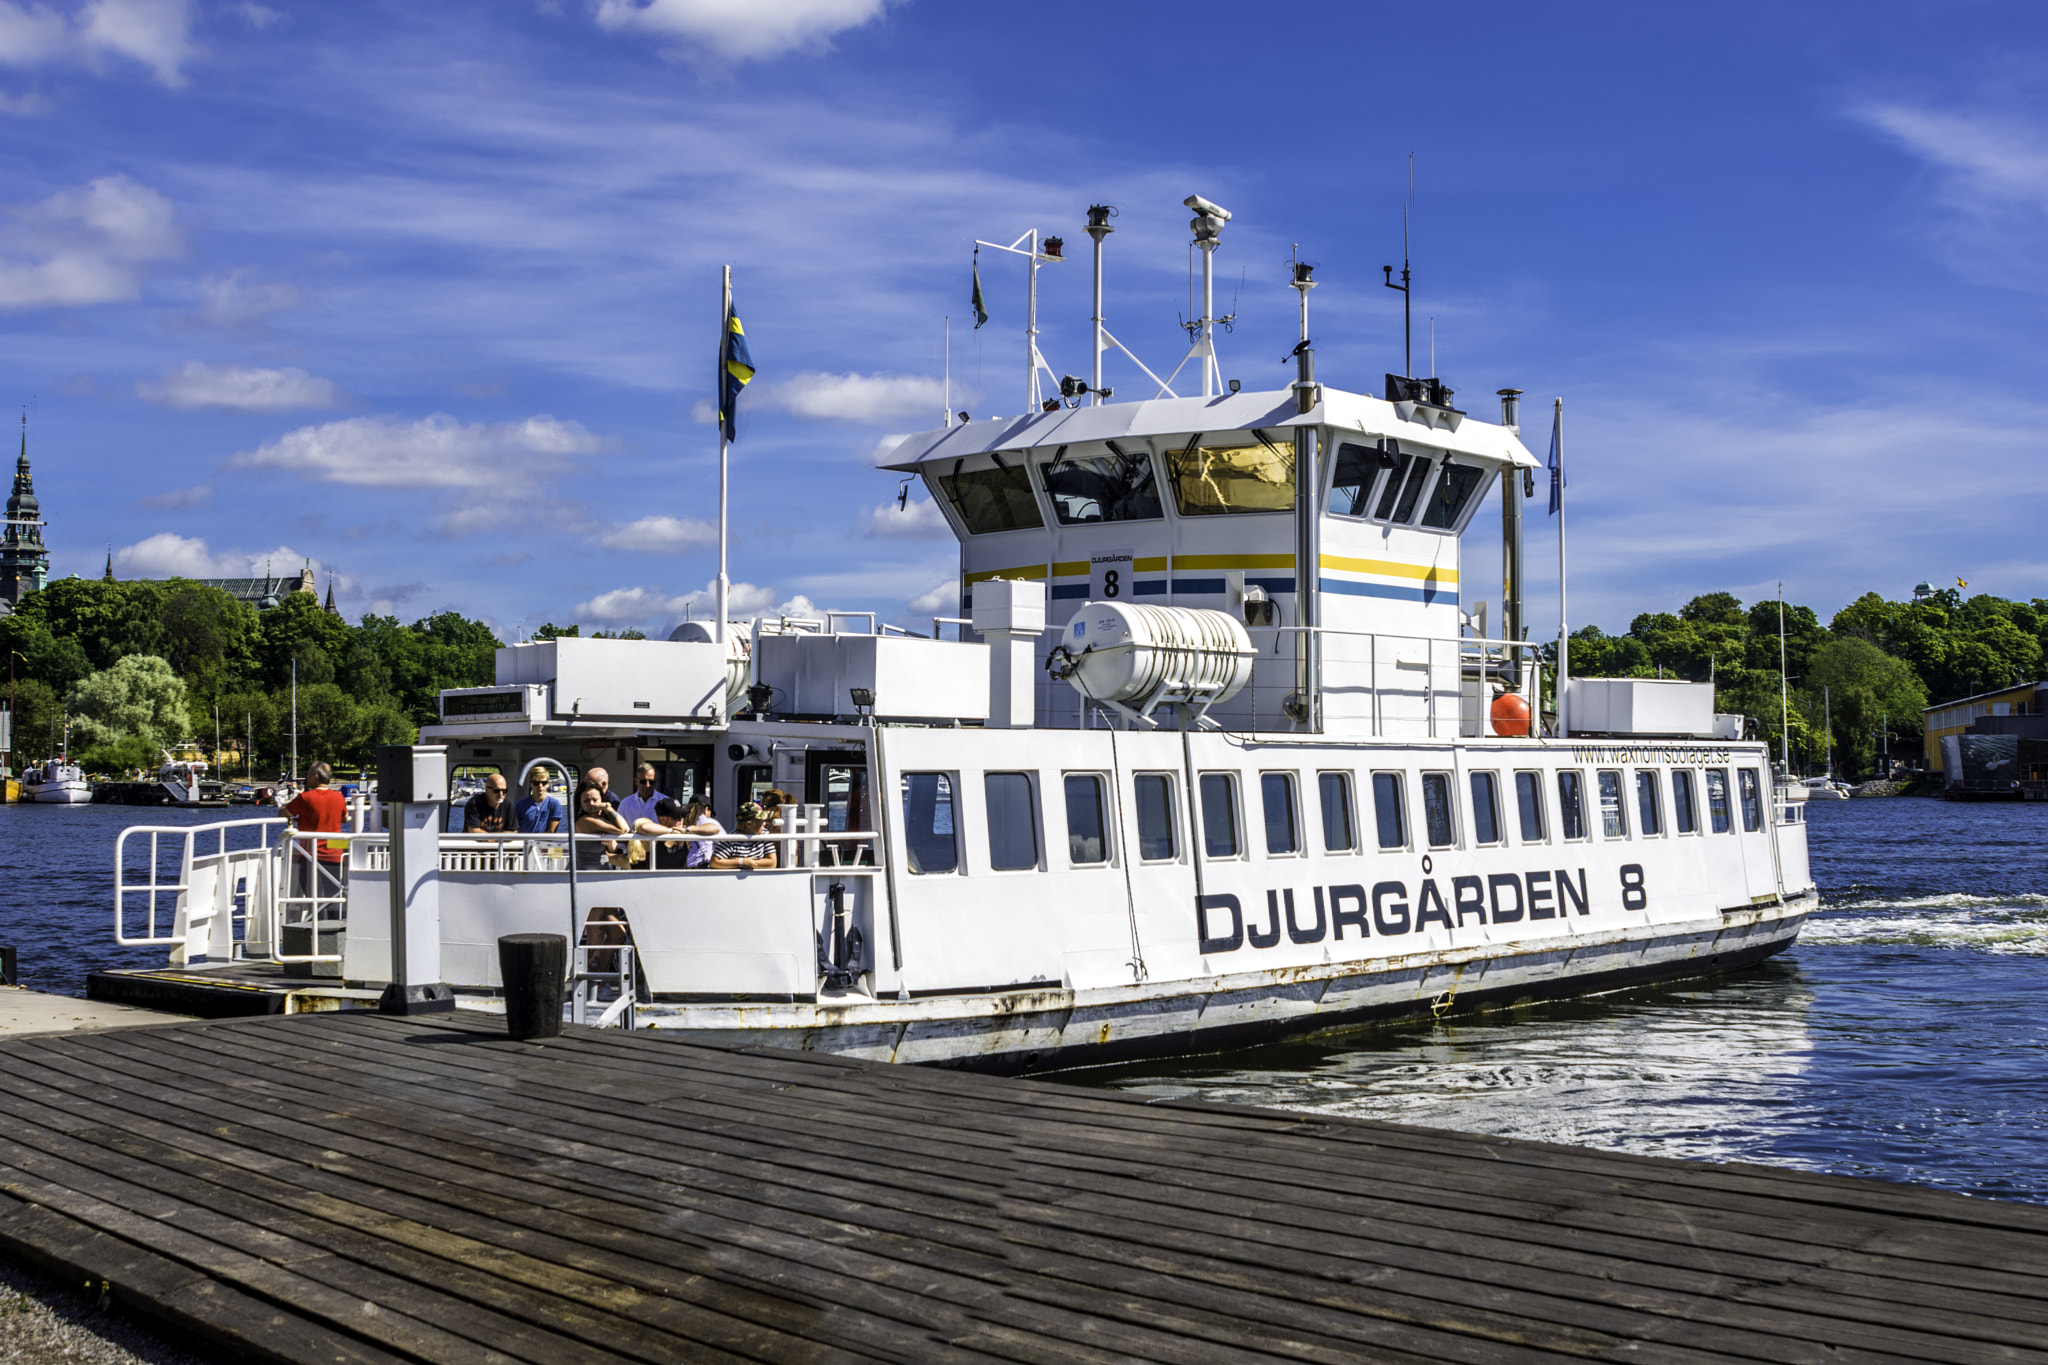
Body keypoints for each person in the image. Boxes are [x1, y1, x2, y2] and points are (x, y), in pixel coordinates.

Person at [282, 761, 348, 904]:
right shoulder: (339, 797)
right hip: (336, 854)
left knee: (314, 898)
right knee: (334, 898)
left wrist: (295, 801)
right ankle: (335, 923)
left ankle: (316, 924)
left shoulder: (305, 798)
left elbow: (283, 812)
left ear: (316, 777)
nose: (306, 778)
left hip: (310, 855)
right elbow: (344, 819)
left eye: (308, 775)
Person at [573, 780, 631, 870]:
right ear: (580, 803)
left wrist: (610, 845)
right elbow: (624, 829)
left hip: (601, 872)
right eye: (586, 801)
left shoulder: (599, 820)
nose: (591, 804)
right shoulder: (585, 821)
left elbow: (611, 850)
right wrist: (606, 806)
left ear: (601, 799)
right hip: (584, 875)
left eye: (595, 800)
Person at [711, 802, 778, 871]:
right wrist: (741, 862)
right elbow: (714, 862)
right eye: (760, 820)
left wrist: (749, 864)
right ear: (748, 824)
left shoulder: (764, 835)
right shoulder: (731, 839)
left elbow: (772, 863)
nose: (764, 824)